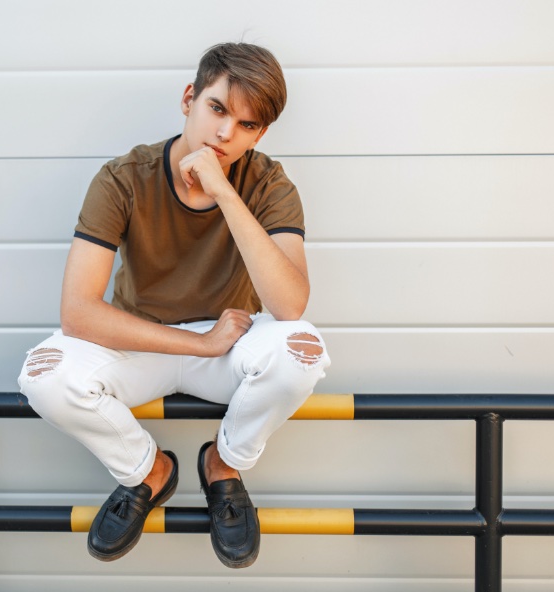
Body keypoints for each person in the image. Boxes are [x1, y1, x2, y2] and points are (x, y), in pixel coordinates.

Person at [18, 42, 330, 569]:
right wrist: (197, 342)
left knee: (303, 350)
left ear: (261, 134)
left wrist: (226, 193)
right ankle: (147, 471)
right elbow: (79, 312)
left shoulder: (268, 183)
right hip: (143, 341)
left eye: (248, 125)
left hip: (230, 346)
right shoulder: (123, 177)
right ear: (190, 98)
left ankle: (224, 466)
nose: (227, 133)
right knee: (43, 375)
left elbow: (290, 303)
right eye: (217, 109)